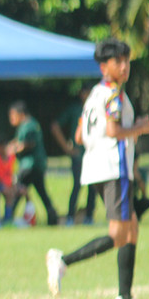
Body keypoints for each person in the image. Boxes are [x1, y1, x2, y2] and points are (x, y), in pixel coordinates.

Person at [46, 38, 149, 299]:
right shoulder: (114, 94)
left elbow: (80, 136)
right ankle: (63, 260)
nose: (125, 66)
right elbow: (114, 131)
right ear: (104, 67)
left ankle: (125, 297)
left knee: (132, 228)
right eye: (119, 62)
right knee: (119, 234)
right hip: (113, 169)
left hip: (94, 169)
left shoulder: (94, 94)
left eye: (127, 60)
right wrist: (139, 127)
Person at [51, 85, 98, 225]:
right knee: (77, 185)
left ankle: (89, 217)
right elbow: (55, 126)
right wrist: (67, 148)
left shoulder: (97, 110)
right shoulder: (76, 110)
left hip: (93, 153)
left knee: (93, 186)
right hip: (79, 154)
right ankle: (70, 217)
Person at [7, 101, 59, 226]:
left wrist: (14, 149)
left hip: (29, 165)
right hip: (37, 165)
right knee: (42, 192)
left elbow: (28, 143)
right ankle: (53, 218)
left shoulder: (29, 125)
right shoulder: (29, 125)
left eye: (13, 115)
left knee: (17, 190)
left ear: (21, 114)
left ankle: (8, 218)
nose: (11, 119)